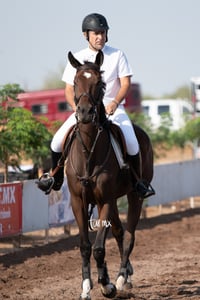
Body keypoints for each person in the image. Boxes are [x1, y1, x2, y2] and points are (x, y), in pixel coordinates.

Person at [37, 13, 154, 198]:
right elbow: (68, 89)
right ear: (86, 35)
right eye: (96, 33)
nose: (100, 37)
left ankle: (138, 183)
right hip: (85, 109)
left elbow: (125, 84)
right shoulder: (77, 57)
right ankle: (54, 177)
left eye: (103, 32)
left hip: (112, 108)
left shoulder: (117, 55)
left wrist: (115, 102)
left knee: (132, 143)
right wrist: (76, 108)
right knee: (57, 141)